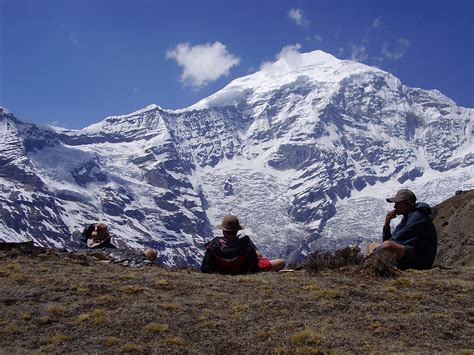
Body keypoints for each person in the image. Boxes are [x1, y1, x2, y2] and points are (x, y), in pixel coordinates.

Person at [367, 189, 437, 270]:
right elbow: (390, 240)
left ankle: (370, 265)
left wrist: (374, 252)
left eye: (398, 203)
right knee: (372, 245)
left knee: (387, 246)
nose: (395, 206)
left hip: (421, 260)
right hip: (409, 253)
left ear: (407, 203)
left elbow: (395, 240)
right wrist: (387, 225)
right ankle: (373, 264)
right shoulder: (407, 217)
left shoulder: (418, 217)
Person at [200, 215, 286, 275]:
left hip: (221, 269)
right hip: (241, 270)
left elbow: (205, 267)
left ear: (223, 231)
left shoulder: (214, 243)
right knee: (281, 262)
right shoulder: (245, 243)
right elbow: (253, 268)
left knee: (258, 255)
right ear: (237, 230)